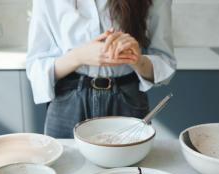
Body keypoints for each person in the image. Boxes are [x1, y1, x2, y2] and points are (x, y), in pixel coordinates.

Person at [26, 0, 176, 138]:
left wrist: (137, 59)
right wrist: (78, 56)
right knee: (66, 165)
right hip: (68, 102)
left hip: (127, 101)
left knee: (130, 167)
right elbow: (36, 66)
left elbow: (165, 62)